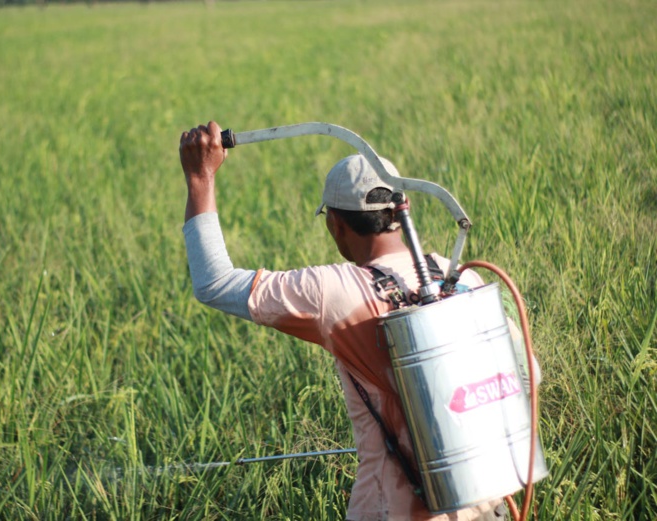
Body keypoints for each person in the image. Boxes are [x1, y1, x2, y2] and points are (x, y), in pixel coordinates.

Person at [179, 121, 507, 520]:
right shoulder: (462, 277)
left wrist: (200, 178)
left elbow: (213, 283)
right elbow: (526, 380)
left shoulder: (333, 290)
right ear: (398, 213)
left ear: (335, 222)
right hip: (489, 501)